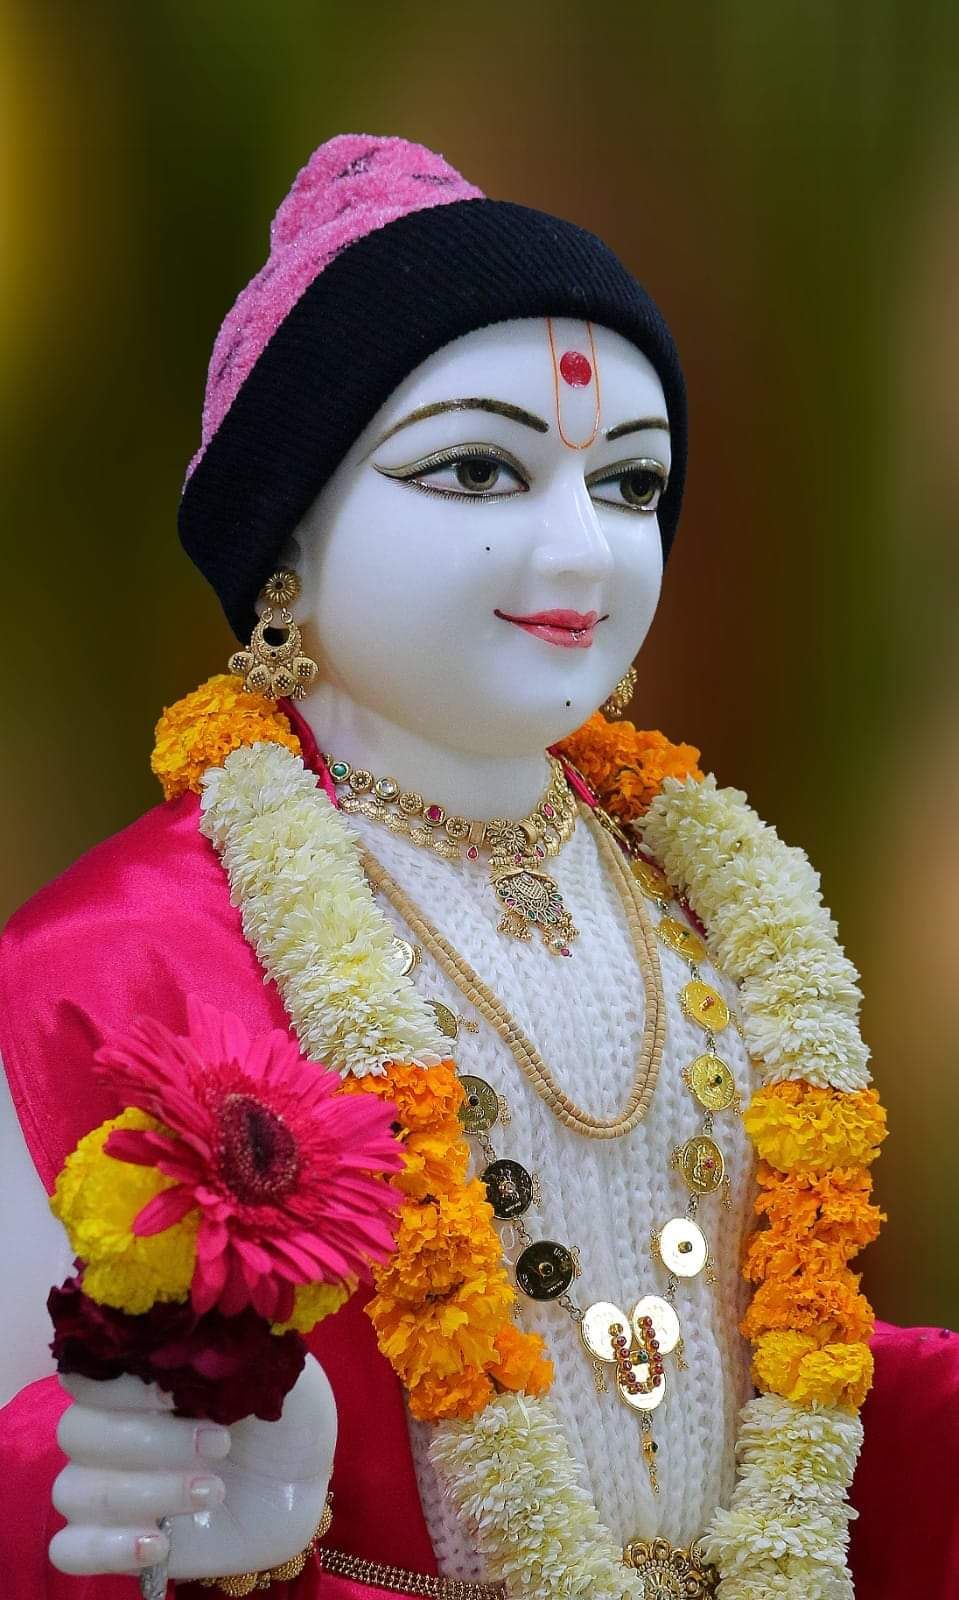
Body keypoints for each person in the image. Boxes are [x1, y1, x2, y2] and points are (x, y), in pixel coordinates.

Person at [0, 133, 956, 1600]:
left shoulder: (714, 894)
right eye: (476, 469)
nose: (582, 552)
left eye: (632, 487)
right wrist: (179, 1508)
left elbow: (795, 1365)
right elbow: (39, 1439)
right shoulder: (107, 966)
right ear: (282, 545)